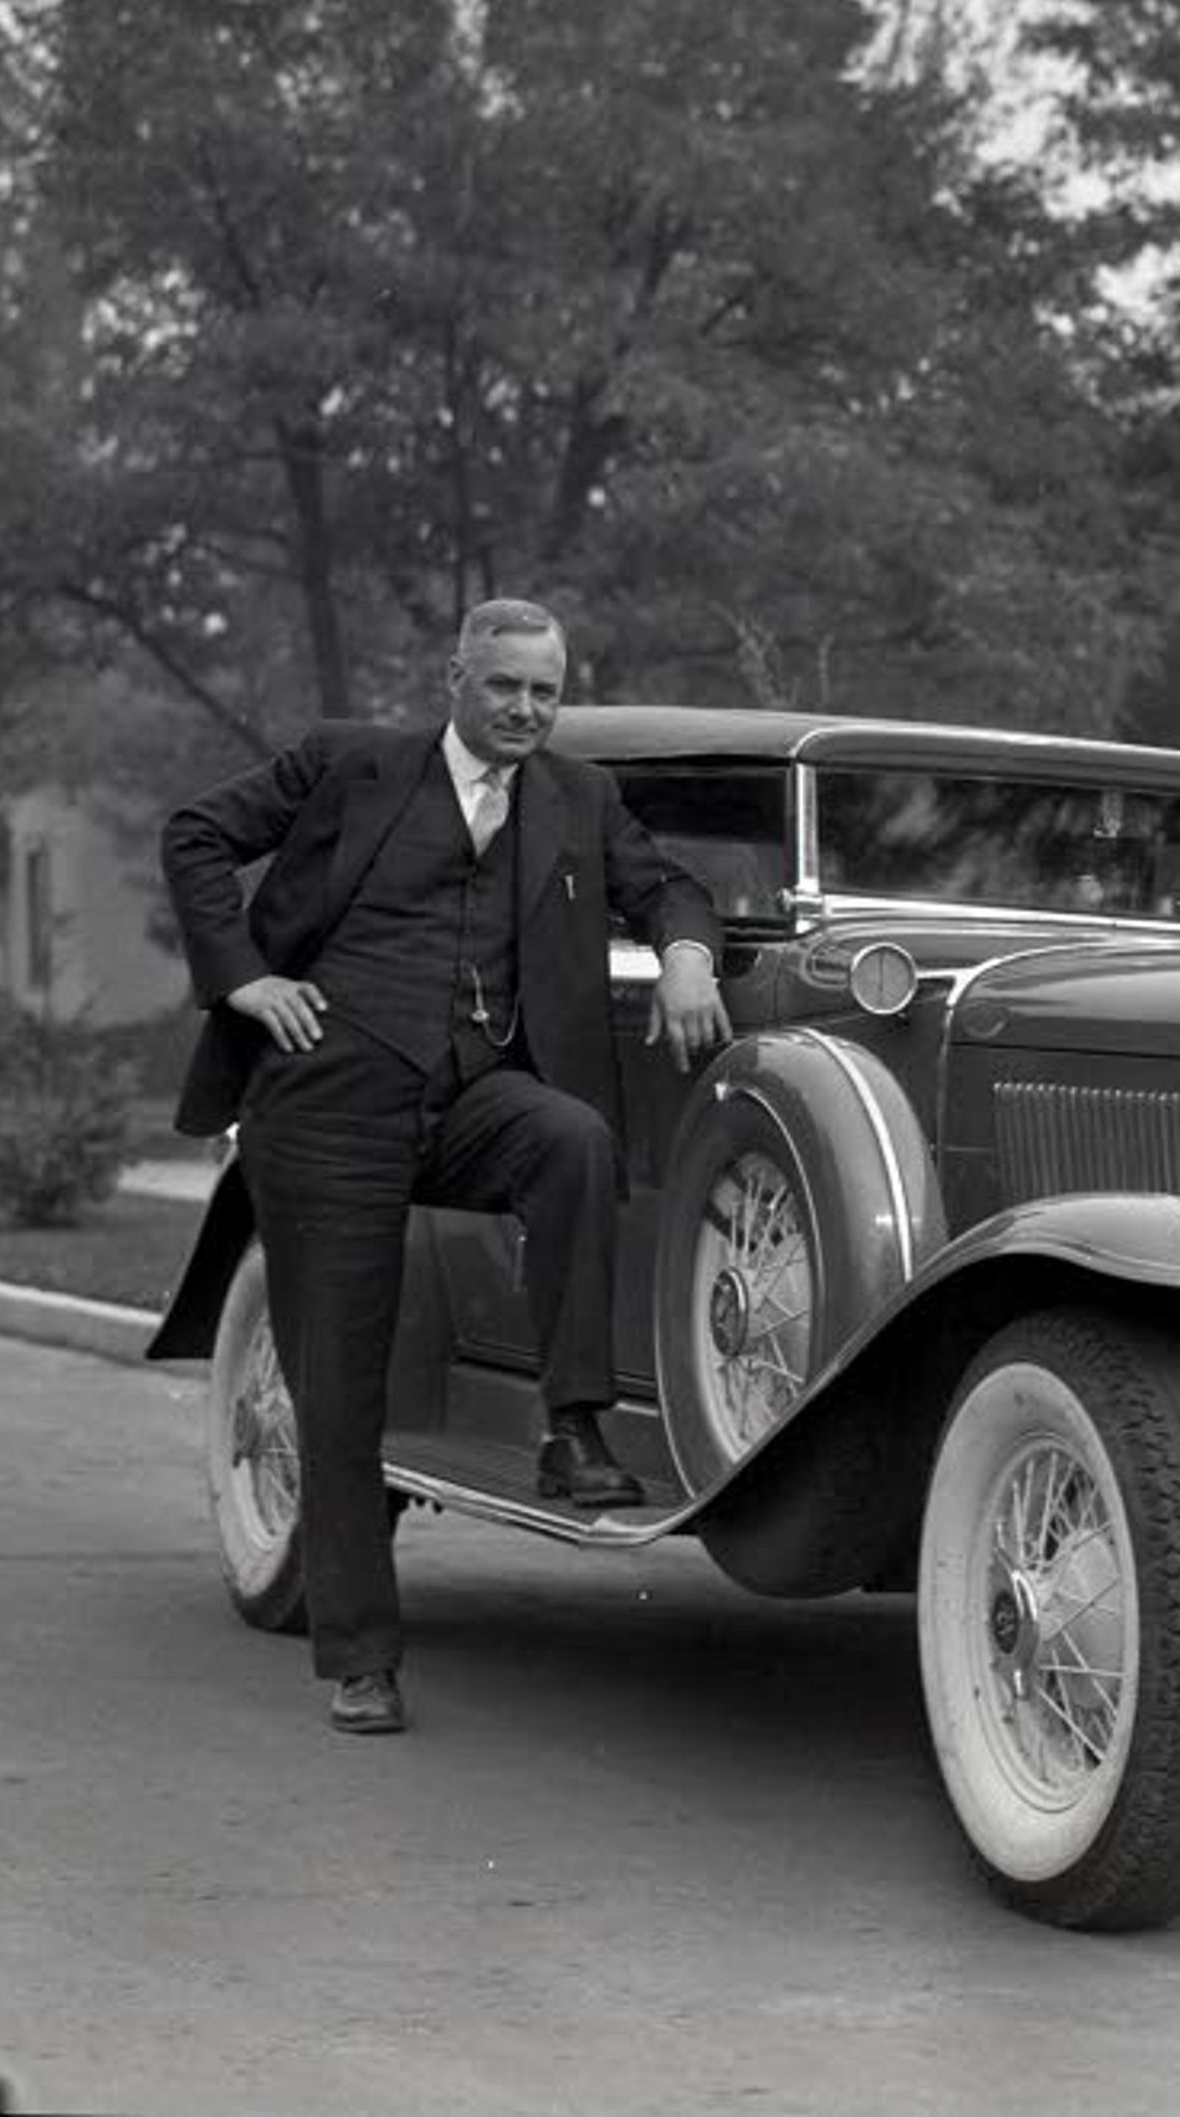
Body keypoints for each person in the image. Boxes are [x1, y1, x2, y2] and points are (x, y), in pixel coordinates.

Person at [161, 598, 731, 1738]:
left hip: (473, 1090)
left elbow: (669, 886)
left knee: (570, 1136)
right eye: (505, 685)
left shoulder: (579, 796)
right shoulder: (348, 763)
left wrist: (682, 958)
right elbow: (195, 834)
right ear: (455, 679)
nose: (526, 708)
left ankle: (573, 1429)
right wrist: (242, 981)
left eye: (546, 691)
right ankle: (361, 1656)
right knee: (341, 1373)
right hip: (328, 1100)